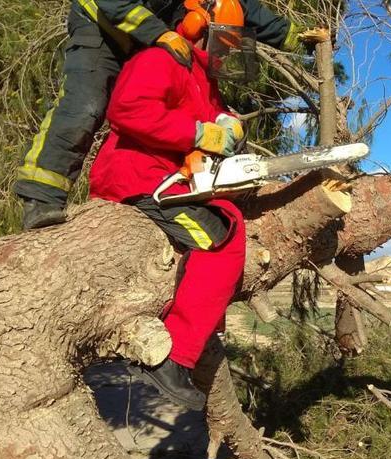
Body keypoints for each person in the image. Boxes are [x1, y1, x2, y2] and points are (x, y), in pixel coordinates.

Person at [89, 0, 304, 409]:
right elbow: (127, 111)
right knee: (221, 235)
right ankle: (173, 354)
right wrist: (197, 132)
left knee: (228, 215)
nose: (226, 50)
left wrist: (228, 124)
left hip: (164, 176)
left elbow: (211, 117)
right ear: (196, 24)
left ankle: (202, 327)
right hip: (136, 176)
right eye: (222, 39)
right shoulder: (160, 58)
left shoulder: (200, 75)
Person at [15, 0, 312, 230]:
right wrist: (159, 33)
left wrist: (299, 39)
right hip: (103, 26)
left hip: (149, 35)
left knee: (171, 103)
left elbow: (245, 8)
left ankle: (150, 188)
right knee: (87, 105)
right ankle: (41, 197)